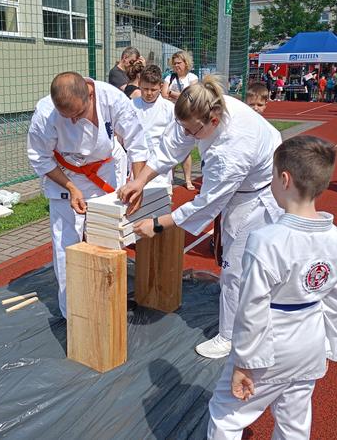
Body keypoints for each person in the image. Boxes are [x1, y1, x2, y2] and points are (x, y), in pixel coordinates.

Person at [118, 76, 283, 359]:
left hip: (258, 195)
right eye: (183, 127)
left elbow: (206, 205)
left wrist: (157, 225)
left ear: (214, 121)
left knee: (235, 267)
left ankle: (230, 337)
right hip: (247, 181)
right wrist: (140, 181)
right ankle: (258, 315)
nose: (187, 135)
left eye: (192, 131)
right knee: (245, 262)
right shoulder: (202, 106)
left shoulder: (232, 149)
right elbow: (171, 147)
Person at [207, 136, 337, 440]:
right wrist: (327, 345)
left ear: (284, 179)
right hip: (309, 344)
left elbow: (252, 308)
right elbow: (336, 304)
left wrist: (245, 362)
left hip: (270, 348)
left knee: (226, 414)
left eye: (272, 176)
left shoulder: (266, 240)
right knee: (294, 421)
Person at [27, 72, 148, 318]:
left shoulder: (112, 99)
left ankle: (109, 299)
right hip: (64, 175)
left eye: (78, 114)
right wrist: (71, 187)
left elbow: (136, 142)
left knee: (108, 237)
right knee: (66, 244)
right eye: (66, 116)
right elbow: (39, 157)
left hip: (102, 171)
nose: (72, 121)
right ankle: (72, 312)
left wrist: (137, 183)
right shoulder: (44, 114)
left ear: (90, 94)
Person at [132, 65, 175, 189]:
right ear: (139, 84)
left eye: (153, 89)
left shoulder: (168, 108)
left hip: (159, 164)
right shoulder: (131, 105)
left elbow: (172, 139)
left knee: (160, 200)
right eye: (145, 88)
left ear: (161, 87)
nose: (149, 93)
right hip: (136, 162)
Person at [162, 50, 199, 191]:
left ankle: (188, 179)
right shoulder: (169, 78)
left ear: (186, 63)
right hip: (170, 116)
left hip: (186, 117)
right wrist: (181, 94)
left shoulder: (192, 77)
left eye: (179, 63)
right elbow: (164, 95)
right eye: (174, 63)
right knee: (170, 147)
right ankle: (170, 179)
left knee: (186, 149)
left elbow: (193, 96)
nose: (176, 66)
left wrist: (172, 93)